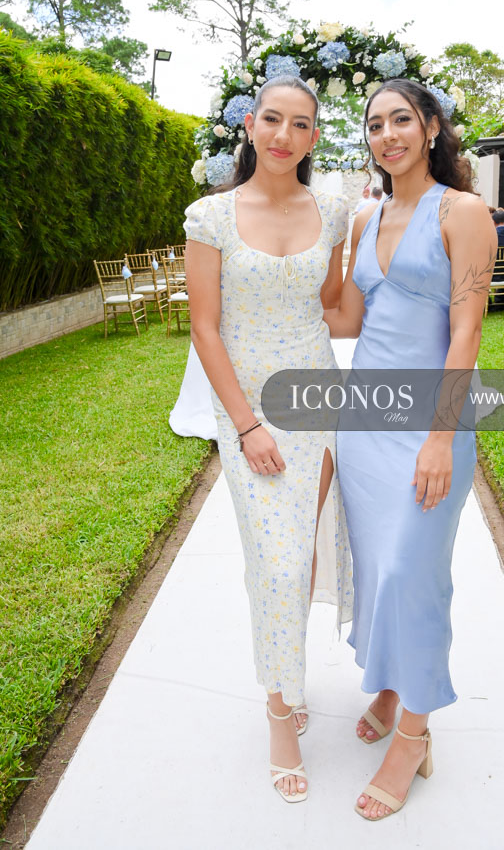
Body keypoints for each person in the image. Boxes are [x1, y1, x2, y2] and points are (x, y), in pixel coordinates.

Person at [324, 78, 495, 820]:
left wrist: (440, 437)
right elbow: (346, 320)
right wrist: (290, 258)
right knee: (377, 567)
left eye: (401, 119)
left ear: (430, 127)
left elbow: (467, 330)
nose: (386, 134)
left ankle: (414, 736)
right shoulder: (366, 217)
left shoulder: (463, 212)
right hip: (364, 424)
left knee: (412, 572)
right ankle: (391, 686)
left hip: (430, 423)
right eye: (374, 124)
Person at [183, 75, 353, 805]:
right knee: (275, 561)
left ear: (314, 137)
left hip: (316, 398)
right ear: (250, 125)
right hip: (247, 407)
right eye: (273, 120)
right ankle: (279, 712)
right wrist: (248, 425)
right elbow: (204, 328)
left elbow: (333, 306)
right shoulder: (210, 216)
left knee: (300, 552)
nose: (285, 135)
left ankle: (289, 678)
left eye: (301, 124)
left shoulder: (334, 212)